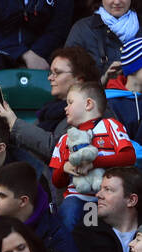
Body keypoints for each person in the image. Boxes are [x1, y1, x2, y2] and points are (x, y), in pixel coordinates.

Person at [50, 81, 136, 230]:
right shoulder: (65, 139)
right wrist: (64, 168)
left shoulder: (110, 125)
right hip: (77, 196)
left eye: (70, 102)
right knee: (68, 222)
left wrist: (94, 162)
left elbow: (129, 157)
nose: (66, 108)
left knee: (105, 237)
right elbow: (57, 182)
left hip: (110, 197)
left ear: (88, 104)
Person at [66, 0, 141, 76]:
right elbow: (69, 77)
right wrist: (103, 80)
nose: (117, 1)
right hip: (95, 93)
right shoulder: (82, 30)